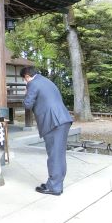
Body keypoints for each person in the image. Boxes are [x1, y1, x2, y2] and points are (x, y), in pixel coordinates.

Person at [21, 66, 73, 196]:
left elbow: (27, 104)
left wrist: (26, 92)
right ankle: (54, 183)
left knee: (55, 155)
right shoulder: (46, 81)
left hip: (53, 122)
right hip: (62, 119)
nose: (24, 82)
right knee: (59, 154)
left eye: (24, 79)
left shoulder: (33, 83)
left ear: (27, 76)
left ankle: (54, 187)